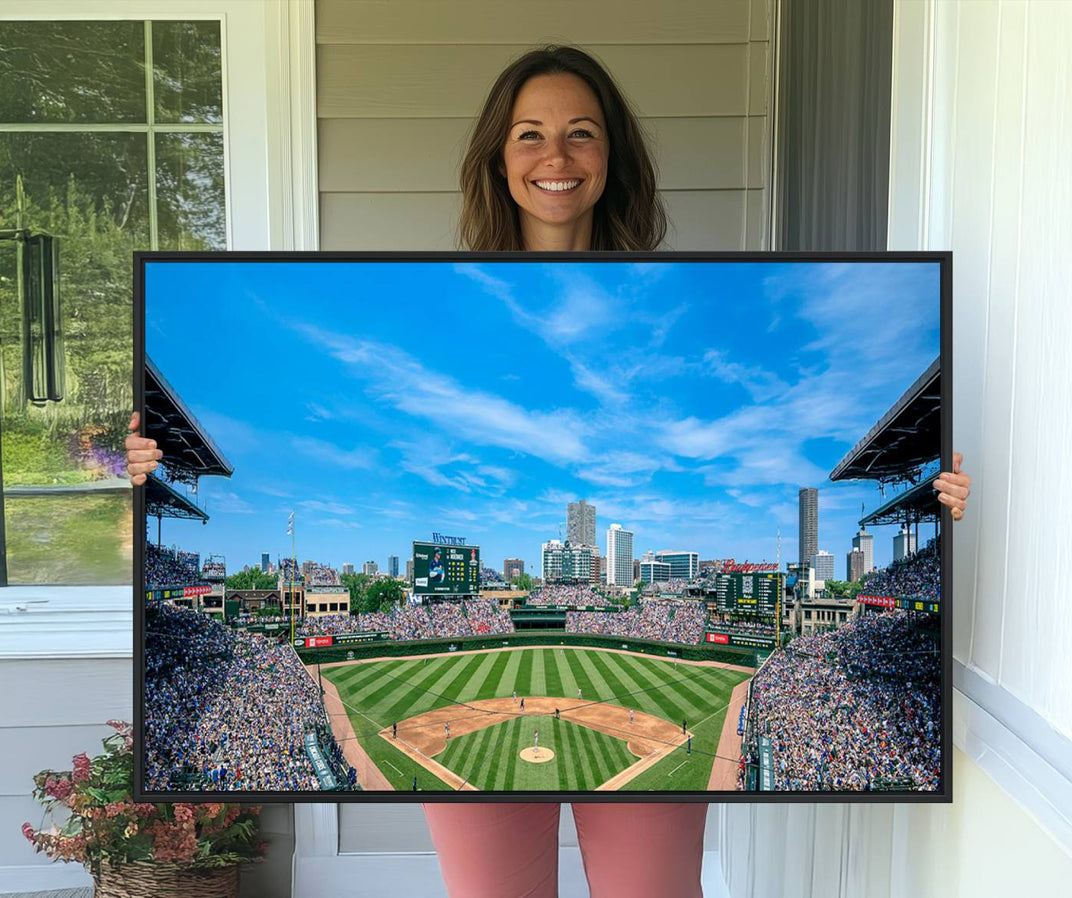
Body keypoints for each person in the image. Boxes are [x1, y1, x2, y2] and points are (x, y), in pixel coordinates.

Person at [125, 42, 973, 898]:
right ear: (499, 158)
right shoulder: (444, 308)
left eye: (581, 133)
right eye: (529, 134)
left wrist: (936, 506)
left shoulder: (671, 303)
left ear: (613, 157)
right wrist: (130, 474)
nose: (555, 157)